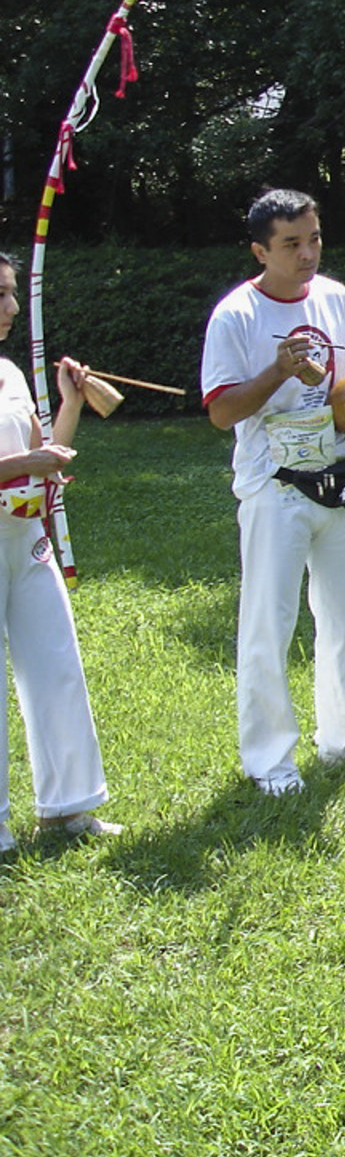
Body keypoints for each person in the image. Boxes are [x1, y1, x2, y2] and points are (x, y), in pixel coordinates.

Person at [202, 189, 345, 795]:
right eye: (291, 244)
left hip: (339, 472)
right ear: (260, 250)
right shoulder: (237, 314)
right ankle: (269, 758)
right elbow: (221, 412)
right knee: (269, 621)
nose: (307, 254)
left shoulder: (334, 296)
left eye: (314, 239)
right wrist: (277, 371)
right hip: (276, 486)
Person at [0, 256, 119, 848]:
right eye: (1, 295)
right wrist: (24, 464)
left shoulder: (12, 375)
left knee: (57, 667)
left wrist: (69, 404)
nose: (13, 309)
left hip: (25, 538)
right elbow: (26, 462)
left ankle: (68, 807)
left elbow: (47, 456)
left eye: (13, 294)